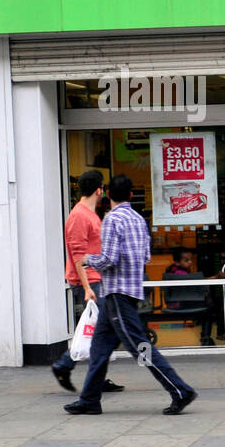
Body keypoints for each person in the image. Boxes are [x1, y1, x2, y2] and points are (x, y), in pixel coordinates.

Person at [65, 175, 197, 416]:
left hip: (117, 293)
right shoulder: (138, 219)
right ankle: (89, 399)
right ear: (131, 195)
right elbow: (146, 256)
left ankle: (180, 390)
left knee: (140, 347)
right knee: (99, 348)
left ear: (106, 195)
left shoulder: (111, 219)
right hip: (131, 290)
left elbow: (109, 259)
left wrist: (87, 260)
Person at [51, 170, 124, 394]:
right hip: (90, 282)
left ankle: (92, 376)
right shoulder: (79, 216)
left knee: (102, 330)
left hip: (97, 279)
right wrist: (86, 288)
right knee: (104, 329)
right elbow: (77, 255)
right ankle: (65, 365)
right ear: (98, 190)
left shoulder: (90, 214)